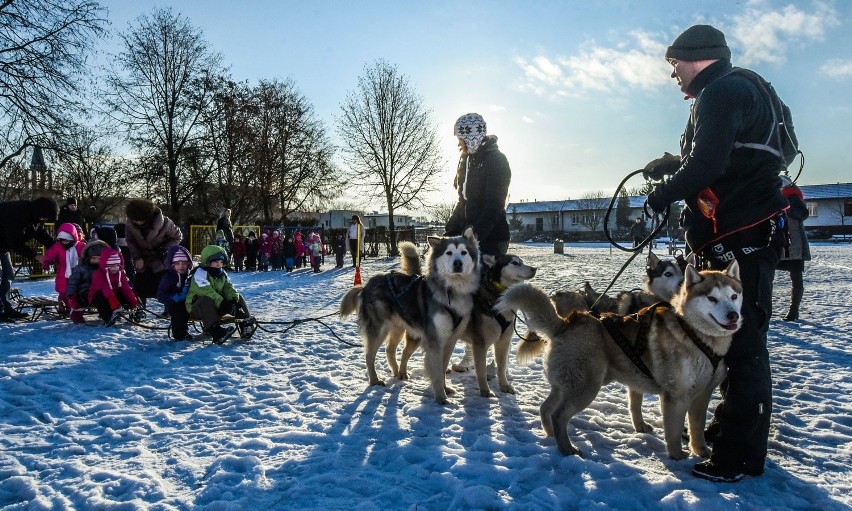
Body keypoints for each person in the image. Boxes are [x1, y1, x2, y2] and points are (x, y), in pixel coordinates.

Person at [642, 24, 792, 482]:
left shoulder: (720, 92)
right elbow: (736, 154)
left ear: (699, 57)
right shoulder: (745, 88)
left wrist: (664, 192)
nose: (674, 76)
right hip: (750, 228)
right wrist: (675, 162)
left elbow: (709, 164)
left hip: (741, 230)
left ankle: (737, 457)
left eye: (675, 64)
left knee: (744, 347)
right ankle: (733, 435)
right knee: (738, 344)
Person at [444, 113, 512, 371]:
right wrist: (449, 232)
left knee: (491, 297)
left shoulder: (497, 161)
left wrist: (476, 233)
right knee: (468, 296)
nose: (458, 143)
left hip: (492, 237)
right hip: (469, 239)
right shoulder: (465, 161)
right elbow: (463, 203)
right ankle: (472, 350)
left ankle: (497, 359)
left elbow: (494, 205)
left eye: (461, 137)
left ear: (473, 135)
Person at [0, 197, 58, 322]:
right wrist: (37, 257)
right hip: (4, 243)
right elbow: (15, 243)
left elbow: (40, 234)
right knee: (1, 275)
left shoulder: (34, 217)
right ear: (41, 212)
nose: (45, 221)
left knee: (8, 274)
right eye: (45, 218)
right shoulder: (17, 214)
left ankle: (6, 308)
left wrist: (56, 248)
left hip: (3, 245)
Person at [185, 245, 253, 344]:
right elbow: (207, 291)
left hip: (216, 306)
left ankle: (245, 323)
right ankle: (216, 332)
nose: (219, 264)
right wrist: (223, 304)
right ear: (207, 261)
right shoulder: (200, 273)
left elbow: (228, 287)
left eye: (221, 262)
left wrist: (233, 300)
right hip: (197, 308)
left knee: (238, 296)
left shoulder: (222, 274)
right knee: (206, 299)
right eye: (216, 261)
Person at [124, 198, 183, 308]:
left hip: (161, 260)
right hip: (143, 261)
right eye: (134, 220)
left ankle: (168, 310)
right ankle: (139, 309)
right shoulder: (130, 223)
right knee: (139, 287)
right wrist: (137, 257)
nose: (136, 222)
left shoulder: (165, 223)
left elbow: (177, 237)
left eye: (139, 220)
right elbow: (130, 241)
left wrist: (165, 249)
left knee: (165, 286)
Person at [777, 175, 810, 321]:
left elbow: (802, 214)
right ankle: (764, 307)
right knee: (767, 276)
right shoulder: (776, 196)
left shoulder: (794, 197)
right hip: (779, 243)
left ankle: (794, 311)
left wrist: (784, 207)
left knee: (796, 278)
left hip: (794, 244)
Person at [40, 222, 86, 315]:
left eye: (67, 240)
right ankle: (63, 305)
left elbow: (87, 254)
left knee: (77, 290)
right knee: (63, 291)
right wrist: (46, 261)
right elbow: (50, 253)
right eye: (62, 240)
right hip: (63, 273)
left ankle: (76, 306)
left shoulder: (81, 246)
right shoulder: (58, 246)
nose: (64, 243)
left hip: (77, 273)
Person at [88, 246, 139, 326]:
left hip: (113, 294)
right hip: (99, 296)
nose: (115, 268)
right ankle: (107, 317)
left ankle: (131, 308)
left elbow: (125, 288)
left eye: (117, 265)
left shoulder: (120, 273)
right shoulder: (99, 274)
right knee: (100, 295)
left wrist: (132, 300)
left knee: (126, 291)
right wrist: (113, 302)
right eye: (112, 265)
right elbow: (105, 289)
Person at [157, 245, 194, 340]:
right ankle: (180, 334)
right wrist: (172, 298)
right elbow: (160, 295)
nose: (181, 266)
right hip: (173, 303)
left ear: (188, 264)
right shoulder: (169, 277)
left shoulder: (191, 276)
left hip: (190, 302)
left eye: (184, 263)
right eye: (178, 263)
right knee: (178, 311)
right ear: (173, 265)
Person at [67, 240, 108, 324]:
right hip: (84, 294)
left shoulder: (107, 268)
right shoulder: (82, 268)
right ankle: (76, 314)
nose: (96, 261)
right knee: (98, 296)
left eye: (99, 258)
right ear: (88, 258)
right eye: (94, 258)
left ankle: (110, 313)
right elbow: (73, 281)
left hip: (102, 293)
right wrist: (72, 294)